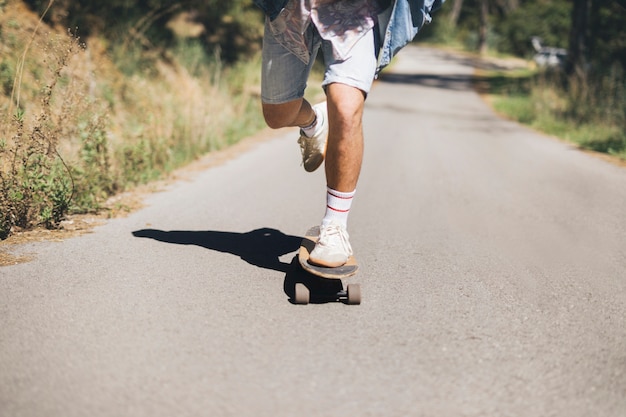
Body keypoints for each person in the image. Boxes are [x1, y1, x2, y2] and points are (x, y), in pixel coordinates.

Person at [253, 0, 443, 267]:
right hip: (292, 8)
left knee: (345, 108)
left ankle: (335, 227)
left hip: (357, 13)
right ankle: (314, 122)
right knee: (277, 114)